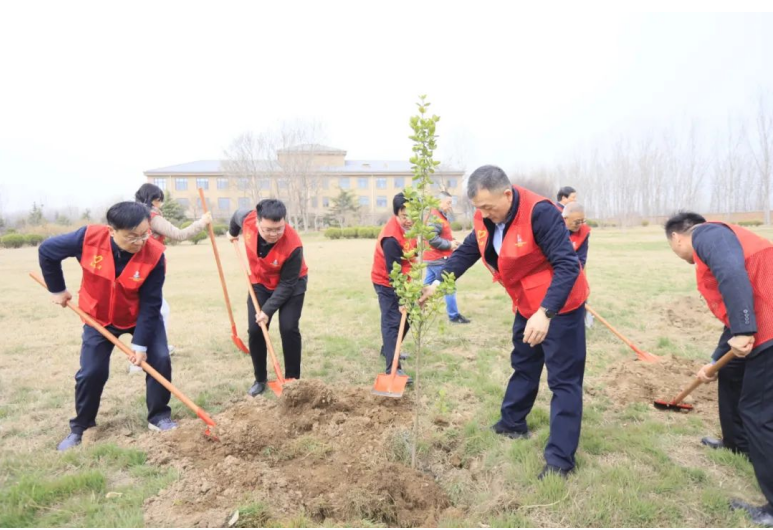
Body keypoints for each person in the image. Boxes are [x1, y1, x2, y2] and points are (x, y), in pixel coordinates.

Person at [422, 165, 589, 480]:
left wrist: (546, 313)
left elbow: (567, 265)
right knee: (524, 363)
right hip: (526, 303)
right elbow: (468, 252)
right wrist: (437, 284)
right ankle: (512, 423)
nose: (484, 213)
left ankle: (560, 461)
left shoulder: (540, 213)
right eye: (479, 208)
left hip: (561, 306)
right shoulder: (486, 218)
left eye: (488, 206)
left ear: (507, 195)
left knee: (564, 381)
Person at [38, 202, 175, 451]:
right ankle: (82, 426)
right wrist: (57, 289)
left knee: (160, 359)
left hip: (139, 315)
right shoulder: (88, 238)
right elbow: (47, 251)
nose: (140, 241)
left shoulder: (154, 254)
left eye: (144, 234)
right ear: (111, 231)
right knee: (91, 372)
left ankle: (159, 417)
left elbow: (151, 302)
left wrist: (140, 345)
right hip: (98, 316)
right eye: (132, 236)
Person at [665, 212, 772, 526]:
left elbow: (731, 274)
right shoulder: (722, 238)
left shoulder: (707, 235)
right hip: (759, 323)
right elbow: (733, 316)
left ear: (677, 238)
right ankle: (736, 443)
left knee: (758, 413)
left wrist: (744, 328)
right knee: (730, 371)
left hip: (767, 329)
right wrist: (714, 362)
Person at [228, 199, 308, 397]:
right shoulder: (247, 220)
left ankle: (292, 381)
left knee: (288, 328)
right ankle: (260, 379)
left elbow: (287, 284)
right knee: (256, 331)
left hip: (291, 285)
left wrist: (267, 310)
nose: (274, 234)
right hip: (260, 282)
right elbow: (236, 216)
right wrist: (232, 233)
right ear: (257, 222)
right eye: (268, 230)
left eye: (279, 229)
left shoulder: (293, 245)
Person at [130, 183, 212, 370]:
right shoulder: (152, 217)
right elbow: (179, 234)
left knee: (158, 310)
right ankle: (142, 358)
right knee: (156, 312)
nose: (160, 204)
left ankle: (159, 346)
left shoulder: (134, 214)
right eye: (159, 200)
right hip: (147, 270)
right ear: (153, 199)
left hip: (136, 270)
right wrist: (202, 222)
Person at [372, 192, 416, 382]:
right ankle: (393, 368)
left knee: (410, 316)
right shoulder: (391, 238)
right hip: (386, 282)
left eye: (413, 215)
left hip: (405, 281)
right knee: (392, 321)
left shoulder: (413, 229)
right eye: (404, 216)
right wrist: (401, 300)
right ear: (397, 214)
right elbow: (394, 274)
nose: (409, 220)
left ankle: (389, 349)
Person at [423, 191, 470, 324]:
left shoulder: (440, 216)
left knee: (426, 286)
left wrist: (453, 241)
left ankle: (414, 307)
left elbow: (442, 235)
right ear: (439, 202)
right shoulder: (435, 217)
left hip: (432, 259)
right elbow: (432, 239)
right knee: (449, 286)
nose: (450, 206)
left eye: (451, 202)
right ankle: (454, 316)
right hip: (438, 259)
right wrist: (449, 245)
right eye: (448, 203)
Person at [562, 202, 590, 268]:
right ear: (565, 218)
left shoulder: (583, 232)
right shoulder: (553, 229)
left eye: (582, 221)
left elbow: (581, 259)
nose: (580, 224)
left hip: (572, 269)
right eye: (577, 222)